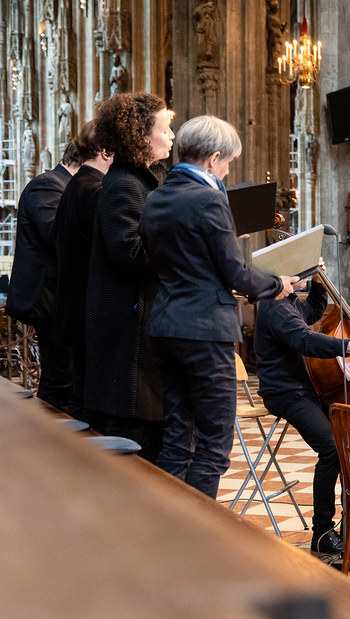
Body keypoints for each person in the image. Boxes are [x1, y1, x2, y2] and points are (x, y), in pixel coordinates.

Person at [140, 115, 299, 498]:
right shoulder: (210, 198)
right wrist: (278, 284)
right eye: (227, 163)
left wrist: (224, 234)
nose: (227, 171)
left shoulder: (156, 197)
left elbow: (179, 254)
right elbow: (235, 274)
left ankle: (163, 524)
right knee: (214, 446)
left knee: (178, 441)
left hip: (164, 326)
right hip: (205, 331)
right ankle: (197, 531)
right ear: (213, 159)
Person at [255, 258, 350, 562]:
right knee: (332, 448)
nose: (306, 275)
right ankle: (322, 532)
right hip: (285, 393)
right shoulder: (275, 306)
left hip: (304, 389)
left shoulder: (288, 302)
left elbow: (311, 310)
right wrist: (349, 346)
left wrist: (320, 282)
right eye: (303, 270)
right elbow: (305, 339)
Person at [85, 92, 172, 462]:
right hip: (129, 335)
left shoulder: (137, 181)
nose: (171, 135)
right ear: (140, 136)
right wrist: (186, 241)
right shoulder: (124, 184)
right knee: (135, 450)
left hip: (135, 330)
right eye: (164, 129)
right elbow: (130, 253)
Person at [7, 139, 78, 415]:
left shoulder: (64, 185)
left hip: (59, 299)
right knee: (59, 380)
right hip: (49, 299)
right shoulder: (49, 184)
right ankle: (48, 435)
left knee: (66, 377)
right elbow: (58, 236)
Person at [52, 121, 114, 421]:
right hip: (90, 310)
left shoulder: (77, 184)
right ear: (106, 152)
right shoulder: (95, 189)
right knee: (89, 403)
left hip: (76, 308)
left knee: (82, 396)